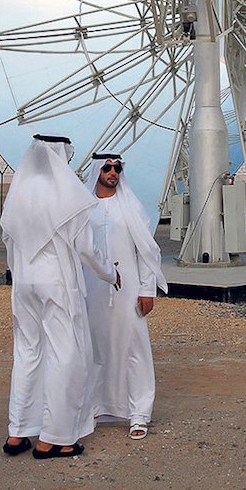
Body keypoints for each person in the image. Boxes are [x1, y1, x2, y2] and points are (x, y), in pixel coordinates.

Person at [1, 134, 121, 460]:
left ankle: (18, 432)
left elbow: (8, 239)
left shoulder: (19, 192)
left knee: (28, 353)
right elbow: (86, 248)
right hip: (57, 284)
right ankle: (55, 438)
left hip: (23, 283)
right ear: (61, 154)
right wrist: (110, 273)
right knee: (65, 354)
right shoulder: (67, 192)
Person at [82, 152, 168, 440]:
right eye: (107, 168)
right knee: (95, 347)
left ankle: (139, 413)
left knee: (134, 348)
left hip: (129, 289)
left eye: (117, 168)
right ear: (97, 171)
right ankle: (96, 407)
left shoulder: (130, 206)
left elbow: (145, 251)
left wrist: (147, 289)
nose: (113, 172)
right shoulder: (84, 208)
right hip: (92, 290)